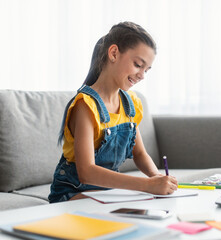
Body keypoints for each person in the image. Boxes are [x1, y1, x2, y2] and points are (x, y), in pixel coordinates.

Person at [48, 22, 178, 203]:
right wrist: (146, 185)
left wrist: (157, 179)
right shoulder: (86, 105)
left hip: (107, 191)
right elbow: (87, 173)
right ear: (114, 53)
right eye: (138, 65)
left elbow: (139, 154)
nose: (142, 75)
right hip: (72, 192)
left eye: (146, 69)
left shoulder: (130, 103)